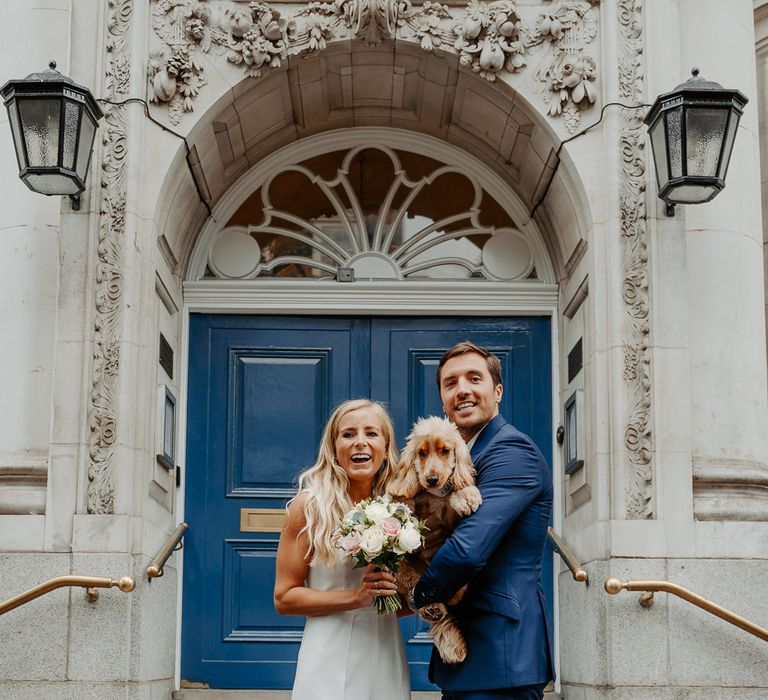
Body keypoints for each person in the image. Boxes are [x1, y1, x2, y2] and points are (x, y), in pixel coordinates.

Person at [409, 341, 555, 700]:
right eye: (450, 383)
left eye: (474, 378)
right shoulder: (454, 459)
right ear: (443, 401)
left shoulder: (511, 451)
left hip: (500, 654)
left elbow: (468, 550)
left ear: (498, 390)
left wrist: (415, 594)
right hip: (471, 660)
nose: (462, 390)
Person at [274, 399, 410, 700]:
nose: (360, 442)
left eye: (371, 433)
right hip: (328, 653)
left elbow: (400, 599)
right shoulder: (308, 507)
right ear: (334, 447)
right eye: (348, 434)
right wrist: (355, 598)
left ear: (386, 446)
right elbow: (284, 597)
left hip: (384, 649)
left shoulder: (402, 509)